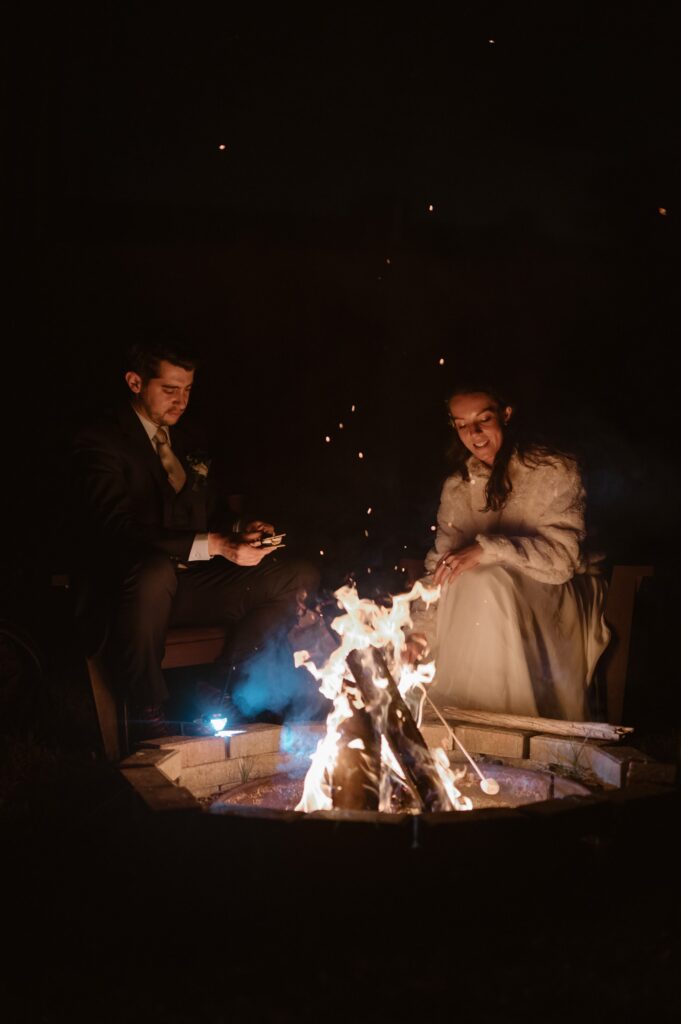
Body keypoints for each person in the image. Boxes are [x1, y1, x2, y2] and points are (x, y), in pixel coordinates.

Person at [70, 337, 320, 740]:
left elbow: (212, 511)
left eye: (187, 390)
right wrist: (218, 544)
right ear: (135, 382)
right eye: (170, 390)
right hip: (129, 591)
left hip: (191, 586)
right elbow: (121, 531)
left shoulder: (187, 441)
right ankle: (146, 709)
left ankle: (227, 689)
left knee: (297, 575)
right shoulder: (100, 441)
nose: (181, 402)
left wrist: (241, 529)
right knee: (154, 572)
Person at [406, 385, 610, 721]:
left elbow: (562, 560)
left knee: (487, 582)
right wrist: (419, 634)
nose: (474, 434)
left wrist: (488, 550)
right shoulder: (458, 487)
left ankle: (507, 722)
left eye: (483, 420)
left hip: (555, 590)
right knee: (468, 580)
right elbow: (440, 568)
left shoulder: (553, 470)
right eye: (461, 425)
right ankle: (457, 725)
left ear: (506, 414)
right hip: (481, 590)